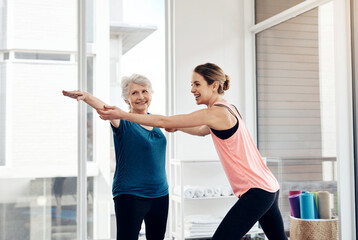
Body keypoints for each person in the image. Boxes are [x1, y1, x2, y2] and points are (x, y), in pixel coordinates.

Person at [96, 63, 288, 240]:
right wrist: (179, 127)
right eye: (192, 84)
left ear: (213, 85)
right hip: (268, 184)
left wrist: (122, 113)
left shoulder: (216, 113)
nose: (192, 89)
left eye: (197, 84)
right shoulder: (228, 108)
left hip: (257, 190)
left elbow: (164, 122)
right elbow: (202, 131)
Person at [63, 74, 169, 240]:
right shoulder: (123, 121)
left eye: (144, 91)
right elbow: (105, 108)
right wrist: (87, 97)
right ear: (127, 100)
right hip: (131, 194)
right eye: (134, 93)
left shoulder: (156, 121)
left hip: (160, 194)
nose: (141, 96)